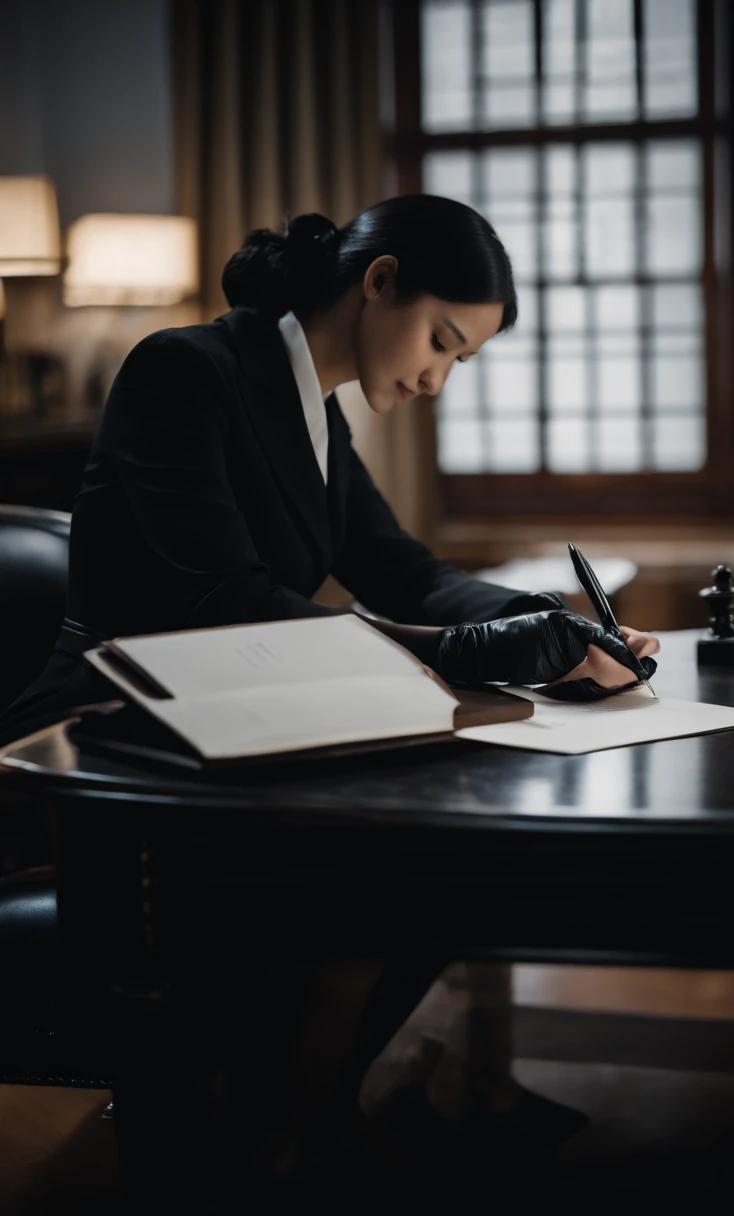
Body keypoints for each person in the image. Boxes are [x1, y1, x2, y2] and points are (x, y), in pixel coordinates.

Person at [0, 194, 659, 1178]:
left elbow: (406, 569)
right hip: (107, 725)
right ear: (379, 279)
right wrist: (481, 647)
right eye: (438, 341)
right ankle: (288, 1137)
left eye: (458, 360)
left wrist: (554, 624)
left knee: (444, 858)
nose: (436, 378)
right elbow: (221, 599)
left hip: (236, 711)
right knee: (386, 876)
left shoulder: (314, 414)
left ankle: (323, 1116)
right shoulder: (183, 369)